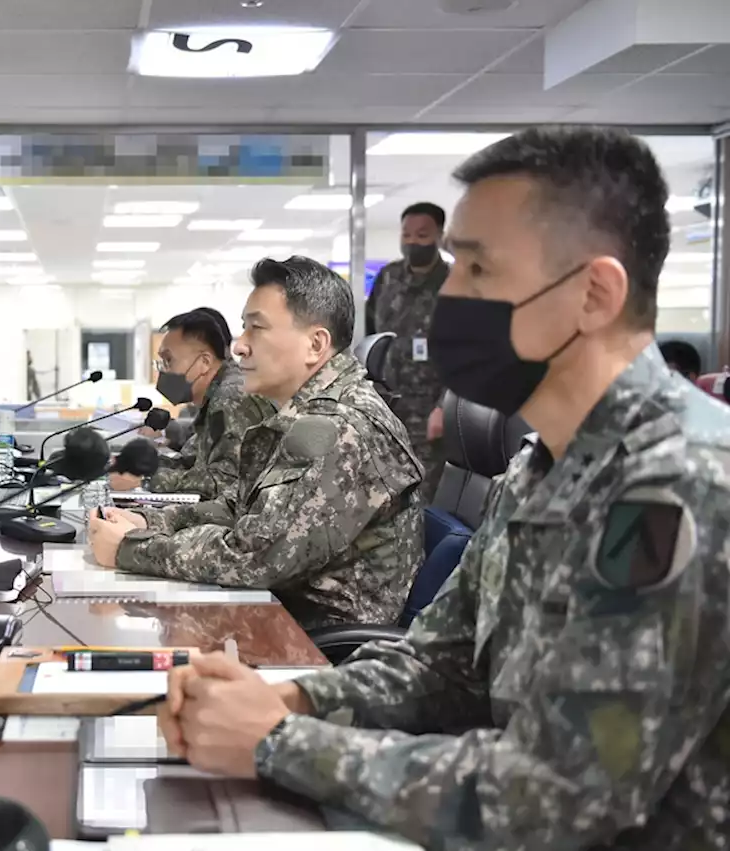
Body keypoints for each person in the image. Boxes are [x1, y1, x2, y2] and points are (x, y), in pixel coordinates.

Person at [153, 128, 730, 849]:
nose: (446, 298)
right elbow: (441, 662)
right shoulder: (540, 465)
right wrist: (292, 696)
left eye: (478, 270)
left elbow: (563, 792)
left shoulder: (682, 480)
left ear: (595, 293)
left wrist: (279, 741)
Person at [88, 257, 424, 629]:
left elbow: (257, 555)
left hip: (317, 644)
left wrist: (130, 548)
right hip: (276, 611)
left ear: (316, 344)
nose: (239, 347)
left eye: (256, 329)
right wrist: (151, 520)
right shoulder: (303, 415)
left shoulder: (341, 426)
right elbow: (244, 511)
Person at [109, 307, 274, 501]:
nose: (163, 371)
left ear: (204, 362)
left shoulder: (231, 397)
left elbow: (225, 483)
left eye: (169, 361)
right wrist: (135, 465)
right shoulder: (217, 394)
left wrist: (144, 479)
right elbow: (193, 464)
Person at [366, 202, 451, 494]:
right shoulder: (388, 278)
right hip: (386, 406)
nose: (413, 242)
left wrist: (444, 407)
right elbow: (370, 338)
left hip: (430, 413)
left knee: (423, 497)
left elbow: (468, 353)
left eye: (422, 235)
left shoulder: (455, 284)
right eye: (407, 235)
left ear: (440, 235)